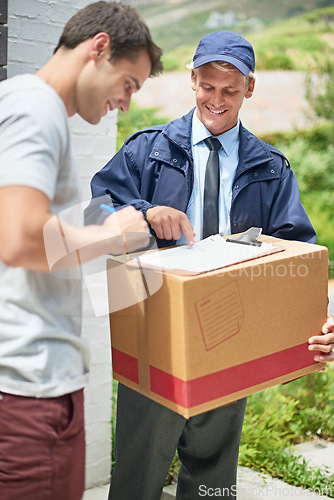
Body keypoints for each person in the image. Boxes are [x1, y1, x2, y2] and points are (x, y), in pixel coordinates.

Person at [87, 30, 334, 500]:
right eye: (207, 86)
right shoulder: (149, 149)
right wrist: (142, 212)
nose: (216, 100)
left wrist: (316, 324)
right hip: (154, 332)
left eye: (230, 89)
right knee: (139, 471)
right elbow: (94, 211)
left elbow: (298, 252)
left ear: (250, 88)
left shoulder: (270, 167)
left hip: (227, 334)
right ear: (193, 80)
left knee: (212, 477)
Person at [0, 2, 163, 499]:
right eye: (129, 84)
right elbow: (21, 239)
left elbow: (37, 232)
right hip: (31, 391)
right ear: (99, 48)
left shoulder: (20, 102)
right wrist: (114, 234)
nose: (126, 103)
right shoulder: (36, 107)